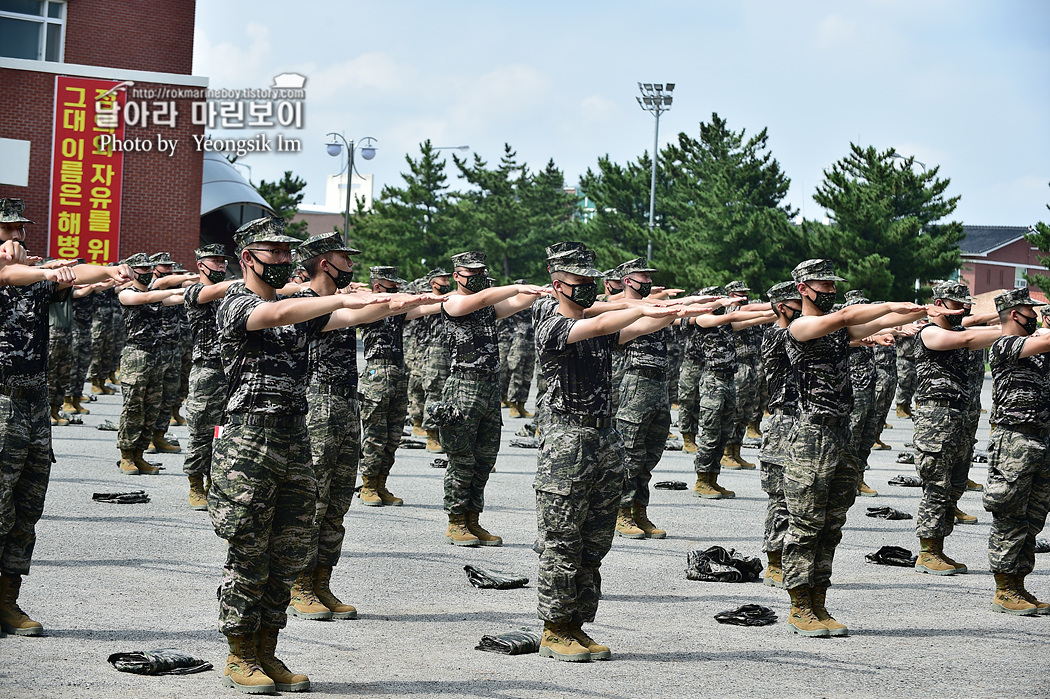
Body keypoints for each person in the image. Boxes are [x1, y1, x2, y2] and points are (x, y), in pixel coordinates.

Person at [208, 216, 433, 693]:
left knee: (287, 553)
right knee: (249, 554)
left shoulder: (303, 310)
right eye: (275, 253)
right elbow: (275, 316)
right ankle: (239, 654)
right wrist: (346, 299)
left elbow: (348, 317)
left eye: (289, 253)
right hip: (248, 443)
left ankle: (267, 651)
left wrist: (392, 304)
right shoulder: (236, 304)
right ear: (248, 258)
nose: (285, 261)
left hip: (293, 440)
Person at [533, 245, 703, 661]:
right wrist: (651, 308)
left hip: (604, 441)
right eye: (580, 284)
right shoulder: (553, 326)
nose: (588, 289)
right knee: (562, 541)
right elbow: (613, 321)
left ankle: (577, 624)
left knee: (595, 541)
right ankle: (554, 628)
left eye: (592, 282)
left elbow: (628, 327)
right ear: (558, 286)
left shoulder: (599, 326)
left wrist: (671, 310)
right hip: (566, 444)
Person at [782, 258, 949, 637]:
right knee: (806, 524)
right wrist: (893, 306)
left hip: (840, 434)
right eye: (821, 285)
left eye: (831, 284)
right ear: (803, 290)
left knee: (832, 524)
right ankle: (799, 606)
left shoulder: (839, 328)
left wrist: (913, 315)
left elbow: (869, 324)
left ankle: (819, 600)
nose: (829, 290)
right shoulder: (802, 326)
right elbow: (847, 318)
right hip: (811, 436)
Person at [0, 197, 131, 637]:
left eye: (20, 230)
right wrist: (46, 271)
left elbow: (79, 274)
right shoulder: (15, 274)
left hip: (33, 406)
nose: (16, 238)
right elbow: (11, 273)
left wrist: (111, 270)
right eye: (7, 231)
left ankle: (7, 600)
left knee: (25, 507)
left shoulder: (36, 282)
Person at [438, 251, 546, 547]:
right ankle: (456, 521)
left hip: (488, 389)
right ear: (457, 276)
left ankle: (473, 519)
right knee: (462, 458)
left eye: (482, 272)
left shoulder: (486, 307)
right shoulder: (453, 301)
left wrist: (538, 291)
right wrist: (517, 286)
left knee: (485, 459)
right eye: (471, 273)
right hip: (463, 387)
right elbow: (485, 299)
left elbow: (513, 304)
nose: (479, 277)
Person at [911, 281, 1000, 576]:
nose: (963, 311)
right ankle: (927, 551)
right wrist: (1012, 330)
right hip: (936, 420)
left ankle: (938, 547)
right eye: (957, 305)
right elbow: (966, 338)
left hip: (962, 418)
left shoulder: (962, 332)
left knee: (956, 484)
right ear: (938, 305)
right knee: (937, 487)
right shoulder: (930, 333)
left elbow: (976, 329)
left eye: (967, 306)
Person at [983, 288, 1050, 615]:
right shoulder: (1005, 345)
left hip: (1041, 439)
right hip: (1013, 442)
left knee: (1033, 517)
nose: (1034, 316)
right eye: (1029, 311)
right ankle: (1004, 588)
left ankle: (1020, 583)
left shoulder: (1036, 350)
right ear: (1013, 313)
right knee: (1010, 515)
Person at [358, 266, 445, 509]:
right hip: (377, 373)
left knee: (393, 436)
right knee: (375, 436)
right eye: (392, 287)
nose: (398, 291)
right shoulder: (368, 309)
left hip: (398, 373)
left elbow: (423, 308)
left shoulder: (397, 313)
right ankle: (367, 485)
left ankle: (381, 483)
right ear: (378, 287)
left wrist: (444, 299)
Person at [686, 286, 774, 499]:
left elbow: (751, 319)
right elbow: (733, 316)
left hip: (728, 381)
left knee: (724, 431)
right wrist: (726, 305)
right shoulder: (703, 319)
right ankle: (702, 480)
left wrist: (774, 311)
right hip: (712, 382)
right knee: (710, 432)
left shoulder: (726, 323)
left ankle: (713, 479)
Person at [116, 253, 186, 475]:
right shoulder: (127, 293)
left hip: (157, 357)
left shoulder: (157, 296)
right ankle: (126, 456)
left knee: (152, 408)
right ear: (133, 271)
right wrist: (174, 290)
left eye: (148, 269)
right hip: (136, 356)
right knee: (133, 408)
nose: (146, 273)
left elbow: (178, 299)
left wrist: (193, 292)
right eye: (142, 270)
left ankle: (140, 455)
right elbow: (145, 299)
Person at [181, 244, 234, 510]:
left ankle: (217, 482)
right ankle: (195, 484)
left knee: (223, 432)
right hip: (207, 373)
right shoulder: (195, 291)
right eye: (215, 261)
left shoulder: (228, 296)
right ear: (201, 265)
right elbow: (212, 291)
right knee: (202, 431)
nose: (222, 266)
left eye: (224, 261)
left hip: (230, 373)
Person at [758, 281, 803, 588]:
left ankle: (793, 559)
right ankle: (774, 561)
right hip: (783, 423)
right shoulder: (777, 335)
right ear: (783, 307)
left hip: (804, 421)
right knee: (780, 497)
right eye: (798, 305)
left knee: (801, 498)